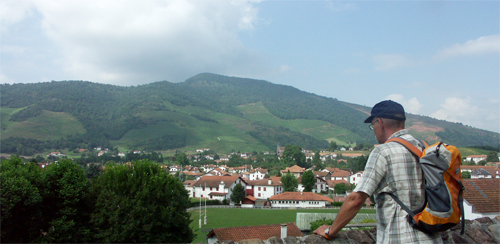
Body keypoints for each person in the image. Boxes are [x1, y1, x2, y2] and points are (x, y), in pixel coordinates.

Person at [313, 100, 442, 243]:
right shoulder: (424, 147)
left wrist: (329, 231)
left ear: (380, 122)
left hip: (399, 238)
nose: (373, 129)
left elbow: (356, 200)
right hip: (432, 237)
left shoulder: (383, 151)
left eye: (372, 125)